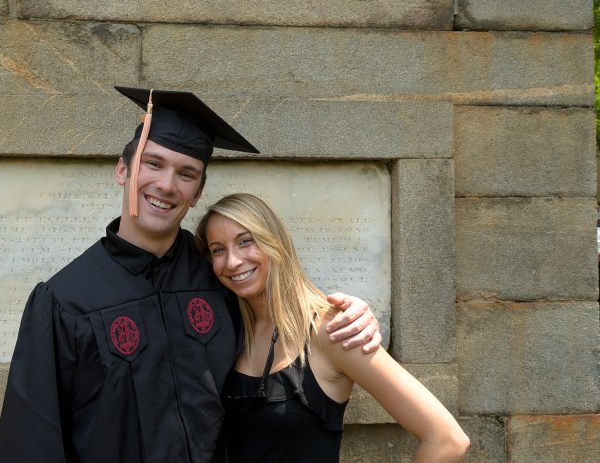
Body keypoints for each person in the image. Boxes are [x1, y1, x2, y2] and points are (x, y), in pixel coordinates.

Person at [0, 88, 382, 462]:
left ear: (197, 193)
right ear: (122, 169)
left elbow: (283, 315)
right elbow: (32, 442)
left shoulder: (220, 277)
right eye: (153, 163)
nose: (166, 184)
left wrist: (349, 315)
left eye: (186, 173)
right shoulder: (65, 301)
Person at [195, 193, 470, 463]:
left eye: (245, 241)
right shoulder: (227, 330)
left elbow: (447, 440)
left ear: (274, 242)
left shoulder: (332, 330)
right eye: (218, 249)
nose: (232, 261)